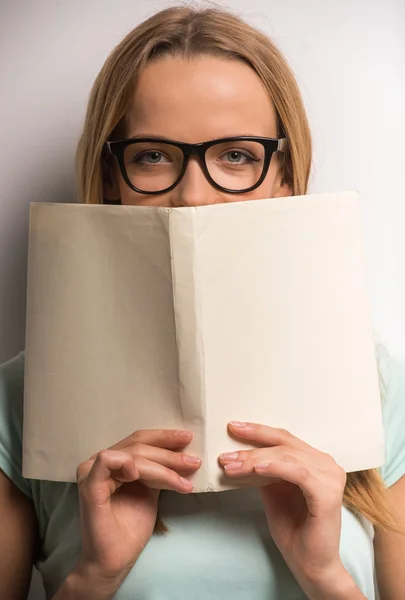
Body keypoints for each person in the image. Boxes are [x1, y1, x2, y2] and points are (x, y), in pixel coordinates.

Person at [1, 5, 405, 600]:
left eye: (236, 156)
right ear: (111, 177)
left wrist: (326, 578)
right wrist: (94, 577)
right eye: (153, 155)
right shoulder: (20, 398)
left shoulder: (376, 386)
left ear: (285, 176)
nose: (193, 198)